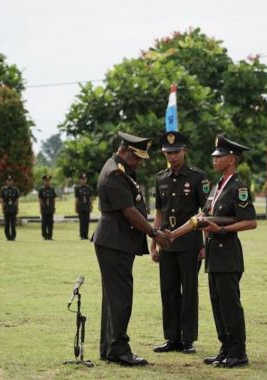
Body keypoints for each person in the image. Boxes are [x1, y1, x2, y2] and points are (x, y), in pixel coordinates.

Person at [92, 131, 171, 366]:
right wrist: (154, 233)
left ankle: (109, 348)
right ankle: (119, 350)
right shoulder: (116, 173)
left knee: (113, 297)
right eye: (136, 158)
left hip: (115, 241)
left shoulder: (119, 168)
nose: (138, 163)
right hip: (114, 242)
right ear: (124, 151)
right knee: (121, 298)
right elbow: (129, 211)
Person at [199, 134, 257, 368]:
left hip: (228, 253)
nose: (215, 160)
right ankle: (225, 347)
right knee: (217, 303)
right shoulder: (217, 186)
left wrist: (221, 230)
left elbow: (250, 222)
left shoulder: (238, 187)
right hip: (213, 254)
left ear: (231, 159)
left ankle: (238, 353)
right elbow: (206, 214)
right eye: (214, 156)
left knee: (230, 305)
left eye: (219, 156)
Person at [150, 131, 210, 354]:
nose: (172, 156)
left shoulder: (197, 177)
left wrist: (205, 244)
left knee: (189, 290)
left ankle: (188, 339)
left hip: (190, 243)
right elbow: (158, 211)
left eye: (175, 152)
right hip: (166, 243)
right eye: (168, 153)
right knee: (168, 290)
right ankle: (171, 338)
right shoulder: (160, 178)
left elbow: (205, 213)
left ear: (184, 151)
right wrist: (154, 242)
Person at [0, 175, 20, 241]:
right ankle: (8, 237)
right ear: (6, 182)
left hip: (13, 209)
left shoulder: (15, 189)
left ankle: (13, 237)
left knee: (13, 223)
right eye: (8, 181)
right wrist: (2, 208)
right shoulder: (3, 189)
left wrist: (17, 208)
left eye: (11, 181)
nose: (10, 182)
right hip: (6, 208)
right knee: (6, 224)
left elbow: (17, 200)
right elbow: (2, 199)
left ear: (13, 181)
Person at [74, 173, 92, 240]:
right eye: (82, 179)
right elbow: (77, 199)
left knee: (87, 221)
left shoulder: (89, 188)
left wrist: (91, 206)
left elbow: (90, 198)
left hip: (87, 207)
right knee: (82, 221)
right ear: (80, 180)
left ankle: (86, 235)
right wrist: (75, 207)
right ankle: (82, 235)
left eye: (84, 179)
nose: (83, 181)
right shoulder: (77, 188)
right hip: (80, 207)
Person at [38, 175, 56, 240]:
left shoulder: (52, 189)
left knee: (50, 223)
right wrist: (40, 208)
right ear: (44, 181)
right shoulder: (41, 190)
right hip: (44, 208)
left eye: (48, 181)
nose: (47, 182)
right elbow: (40, 199)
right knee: (44, 223)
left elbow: (54, 199)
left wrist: (54, 207)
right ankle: (45, 236)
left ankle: (50, 236)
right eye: (46, 181)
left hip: (50, 208)